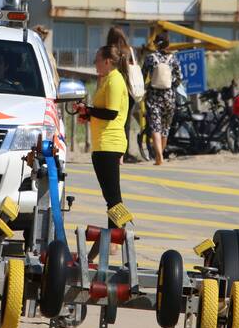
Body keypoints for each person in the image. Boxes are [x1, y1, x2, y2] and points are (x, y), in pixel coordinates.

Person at [76, 45, 131, 237]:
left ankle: (119, 235)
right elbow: (104, 112)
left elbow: (111, 113)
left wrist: (89, 110)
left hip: (110, 143)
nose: (95, 64)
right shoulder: (106, 79)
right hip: (101, 144)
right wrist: (88, 114)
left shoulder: (115, 80)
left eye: (97, 60)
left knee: (113, 196)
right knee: (110, 196)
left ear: (107, 61)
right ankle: (119, 232)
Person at [141, 33, 182, 165]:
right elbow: (179, 78)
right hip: (169, 96)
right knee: (165, 127)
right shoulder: (173, 59)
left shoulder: (149, 58)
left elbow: (142, 76)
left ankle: (158, 156)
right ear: (168, 44)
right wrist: (171, 86)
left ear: (155, 44)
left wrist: (147, 85)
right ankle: (160, 155)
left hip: (153, 95)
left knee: (155, 126)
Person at [106, 26, 141, 164]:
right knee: (126, 123)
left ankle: (113, 151)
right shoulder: (130, 50)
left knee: (113, 122)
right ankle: (125, 153)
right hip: (130, 91)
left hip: (114, 89)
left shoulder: (109, 51)